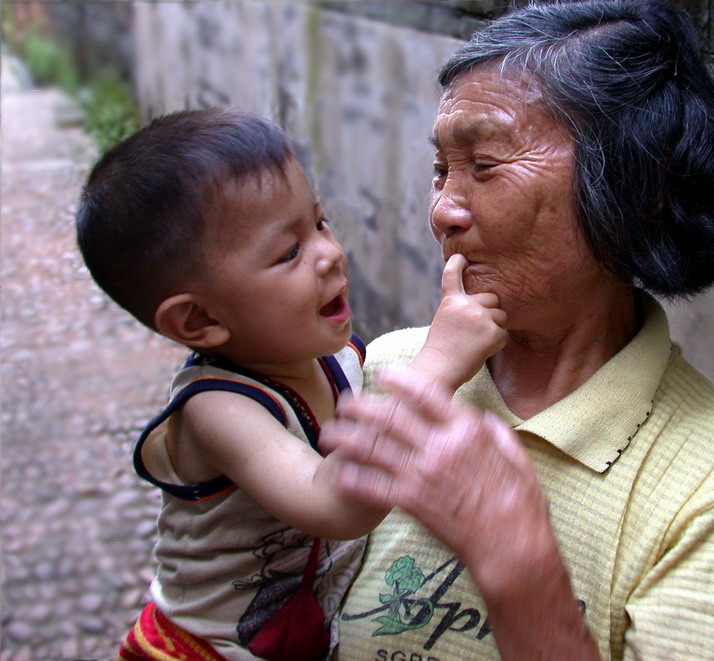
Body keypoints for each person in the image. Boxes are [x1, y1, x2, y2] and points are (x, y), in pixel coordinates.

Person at [320, 1, 714, 659]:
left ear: (637, 184)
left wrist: (517, 563)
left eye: (483, 165)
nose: (443, 210)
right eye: (440, 170)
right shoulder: (397, 369)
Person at [74, 108, 506, 661]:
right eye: (288, 253)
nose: (329, 253)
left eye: (320, 223)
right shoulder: (218, 409)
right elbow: (336, 504)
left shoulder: (337, 358)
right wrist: (439, 364)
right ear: (198, 321)